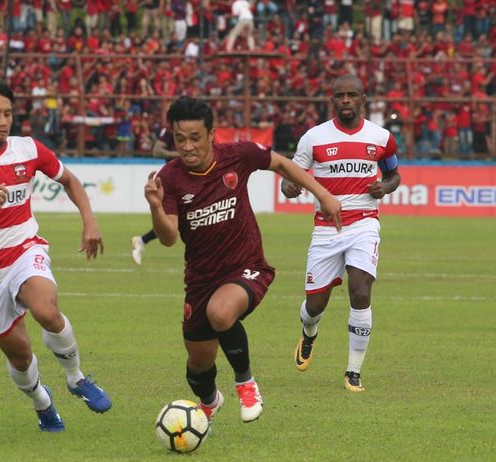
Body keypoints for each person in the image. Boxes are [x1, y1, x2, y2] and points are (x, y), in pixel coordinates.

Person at [144, 96, 341, 424]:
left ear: (211, 134)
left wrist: (322, 194)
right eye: (180, 139)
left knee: (220, 314)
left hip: (246, 266)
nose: (188, 147)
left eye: (195, 138)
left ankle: (245, 383)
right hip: (200, 279)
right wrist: (154, 205)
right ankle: (210, 401)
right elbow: (168, 238)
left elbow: (280, 163)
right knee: (198, 365)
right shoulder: (171, 178)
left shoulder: (238, 155)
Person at [0, 76, 111, 432]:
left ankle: (77, 378)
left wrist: (89, 221)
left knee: (47, 310)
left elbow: (71, 181)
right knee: (20, 357)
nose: (3, 121)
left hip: (24, 249)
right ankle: (42, 403)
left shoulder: (28, 148)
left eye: (8, 114)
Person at [281, 74, 401, 393]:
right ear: (332, 100)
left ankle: (353, 372)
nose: (346, 100)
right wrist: (290, 187)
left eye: (352, 95)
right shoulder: (314, 138)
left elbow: (394, 175)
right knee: (314, 306)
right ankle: (309, 334)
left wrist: (384, 187)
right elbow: (290, 177)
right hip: (326, 229)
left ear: (362, 99)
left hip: (364, 223)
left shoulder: (382, 138)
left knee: (360, 290)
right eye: (340, 95)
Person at [131, 125, 178, 265]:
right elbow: (157, 150)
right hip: (172, 181)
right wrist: (178, 154)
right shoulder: (170, 129)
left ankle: (141, 240)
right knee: (174, 222)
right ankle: (141, 240)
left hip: (187, 180)